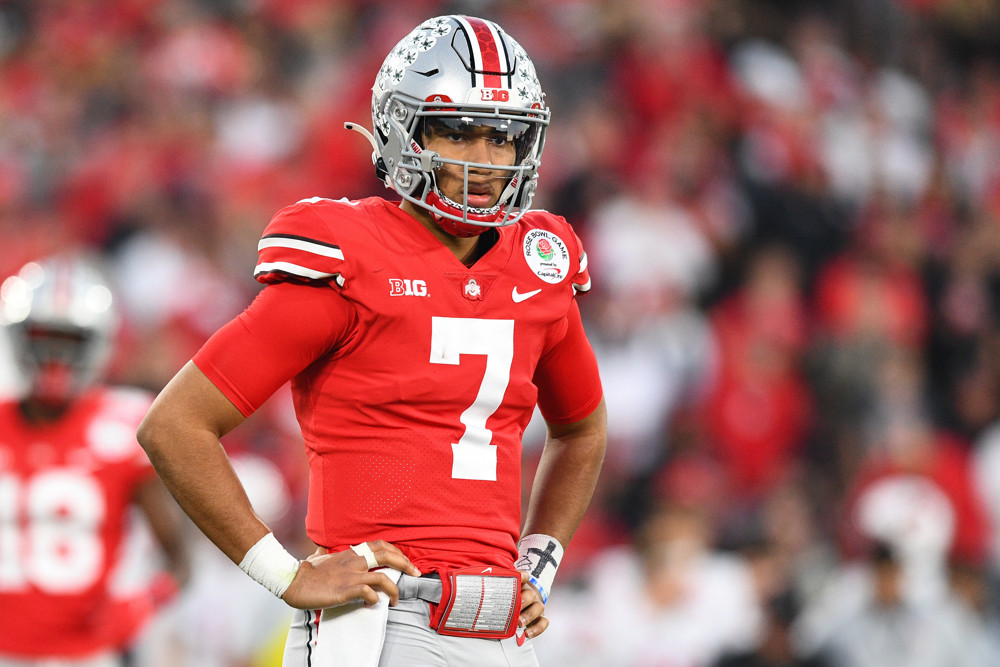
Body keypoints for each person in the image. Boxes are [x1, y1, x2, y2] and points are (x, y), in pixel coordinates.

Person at [137, 14, 607, 667]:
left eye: (502, 137)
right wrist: (286, 573)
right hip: (380, 616)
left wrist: (541, 558)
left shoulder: (539, 263)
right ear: (401, 129)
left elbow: (581, 429)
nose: (483, 158)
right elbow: (175, 423)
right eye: (457, 131)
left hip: (501, 625)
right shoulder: (350, 254)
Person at [0, 254, 189, 666]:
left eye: (69, 342)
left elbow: (179, 556)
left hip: (86, 655)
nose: (54, 358)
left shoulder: (126, 425)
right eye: (43, 338)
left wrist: (144, 602)